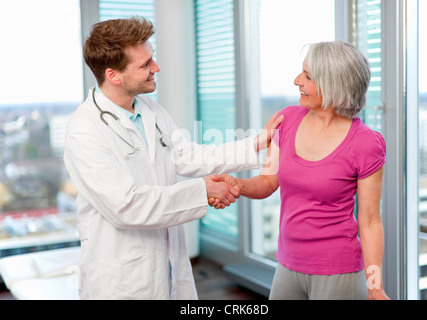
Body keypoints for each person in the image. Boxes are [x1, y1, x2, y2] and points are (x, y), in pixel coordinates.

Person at [63, 16, 283, 300]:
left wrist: (256, 143)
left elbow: (186, 156)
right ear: (113, 74)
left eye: (151, 58)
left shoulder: (149, 110)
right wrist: (203, 190)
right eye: (145, 65)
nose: (156, 68)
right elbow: (126, 205)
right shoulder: (85, 130)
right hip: (120, 280)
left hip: (164, 264)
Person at [210, 41, 389, 300]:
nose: (296, 81)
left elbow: (371, 221)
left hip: (338, 271)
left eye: (307, 76)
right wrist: (237, 185)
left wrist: (375, 287)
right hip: (288, 263)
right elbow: (268, 181)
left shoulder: (366, 143)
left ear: (333, 83)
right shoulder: (287, 120)